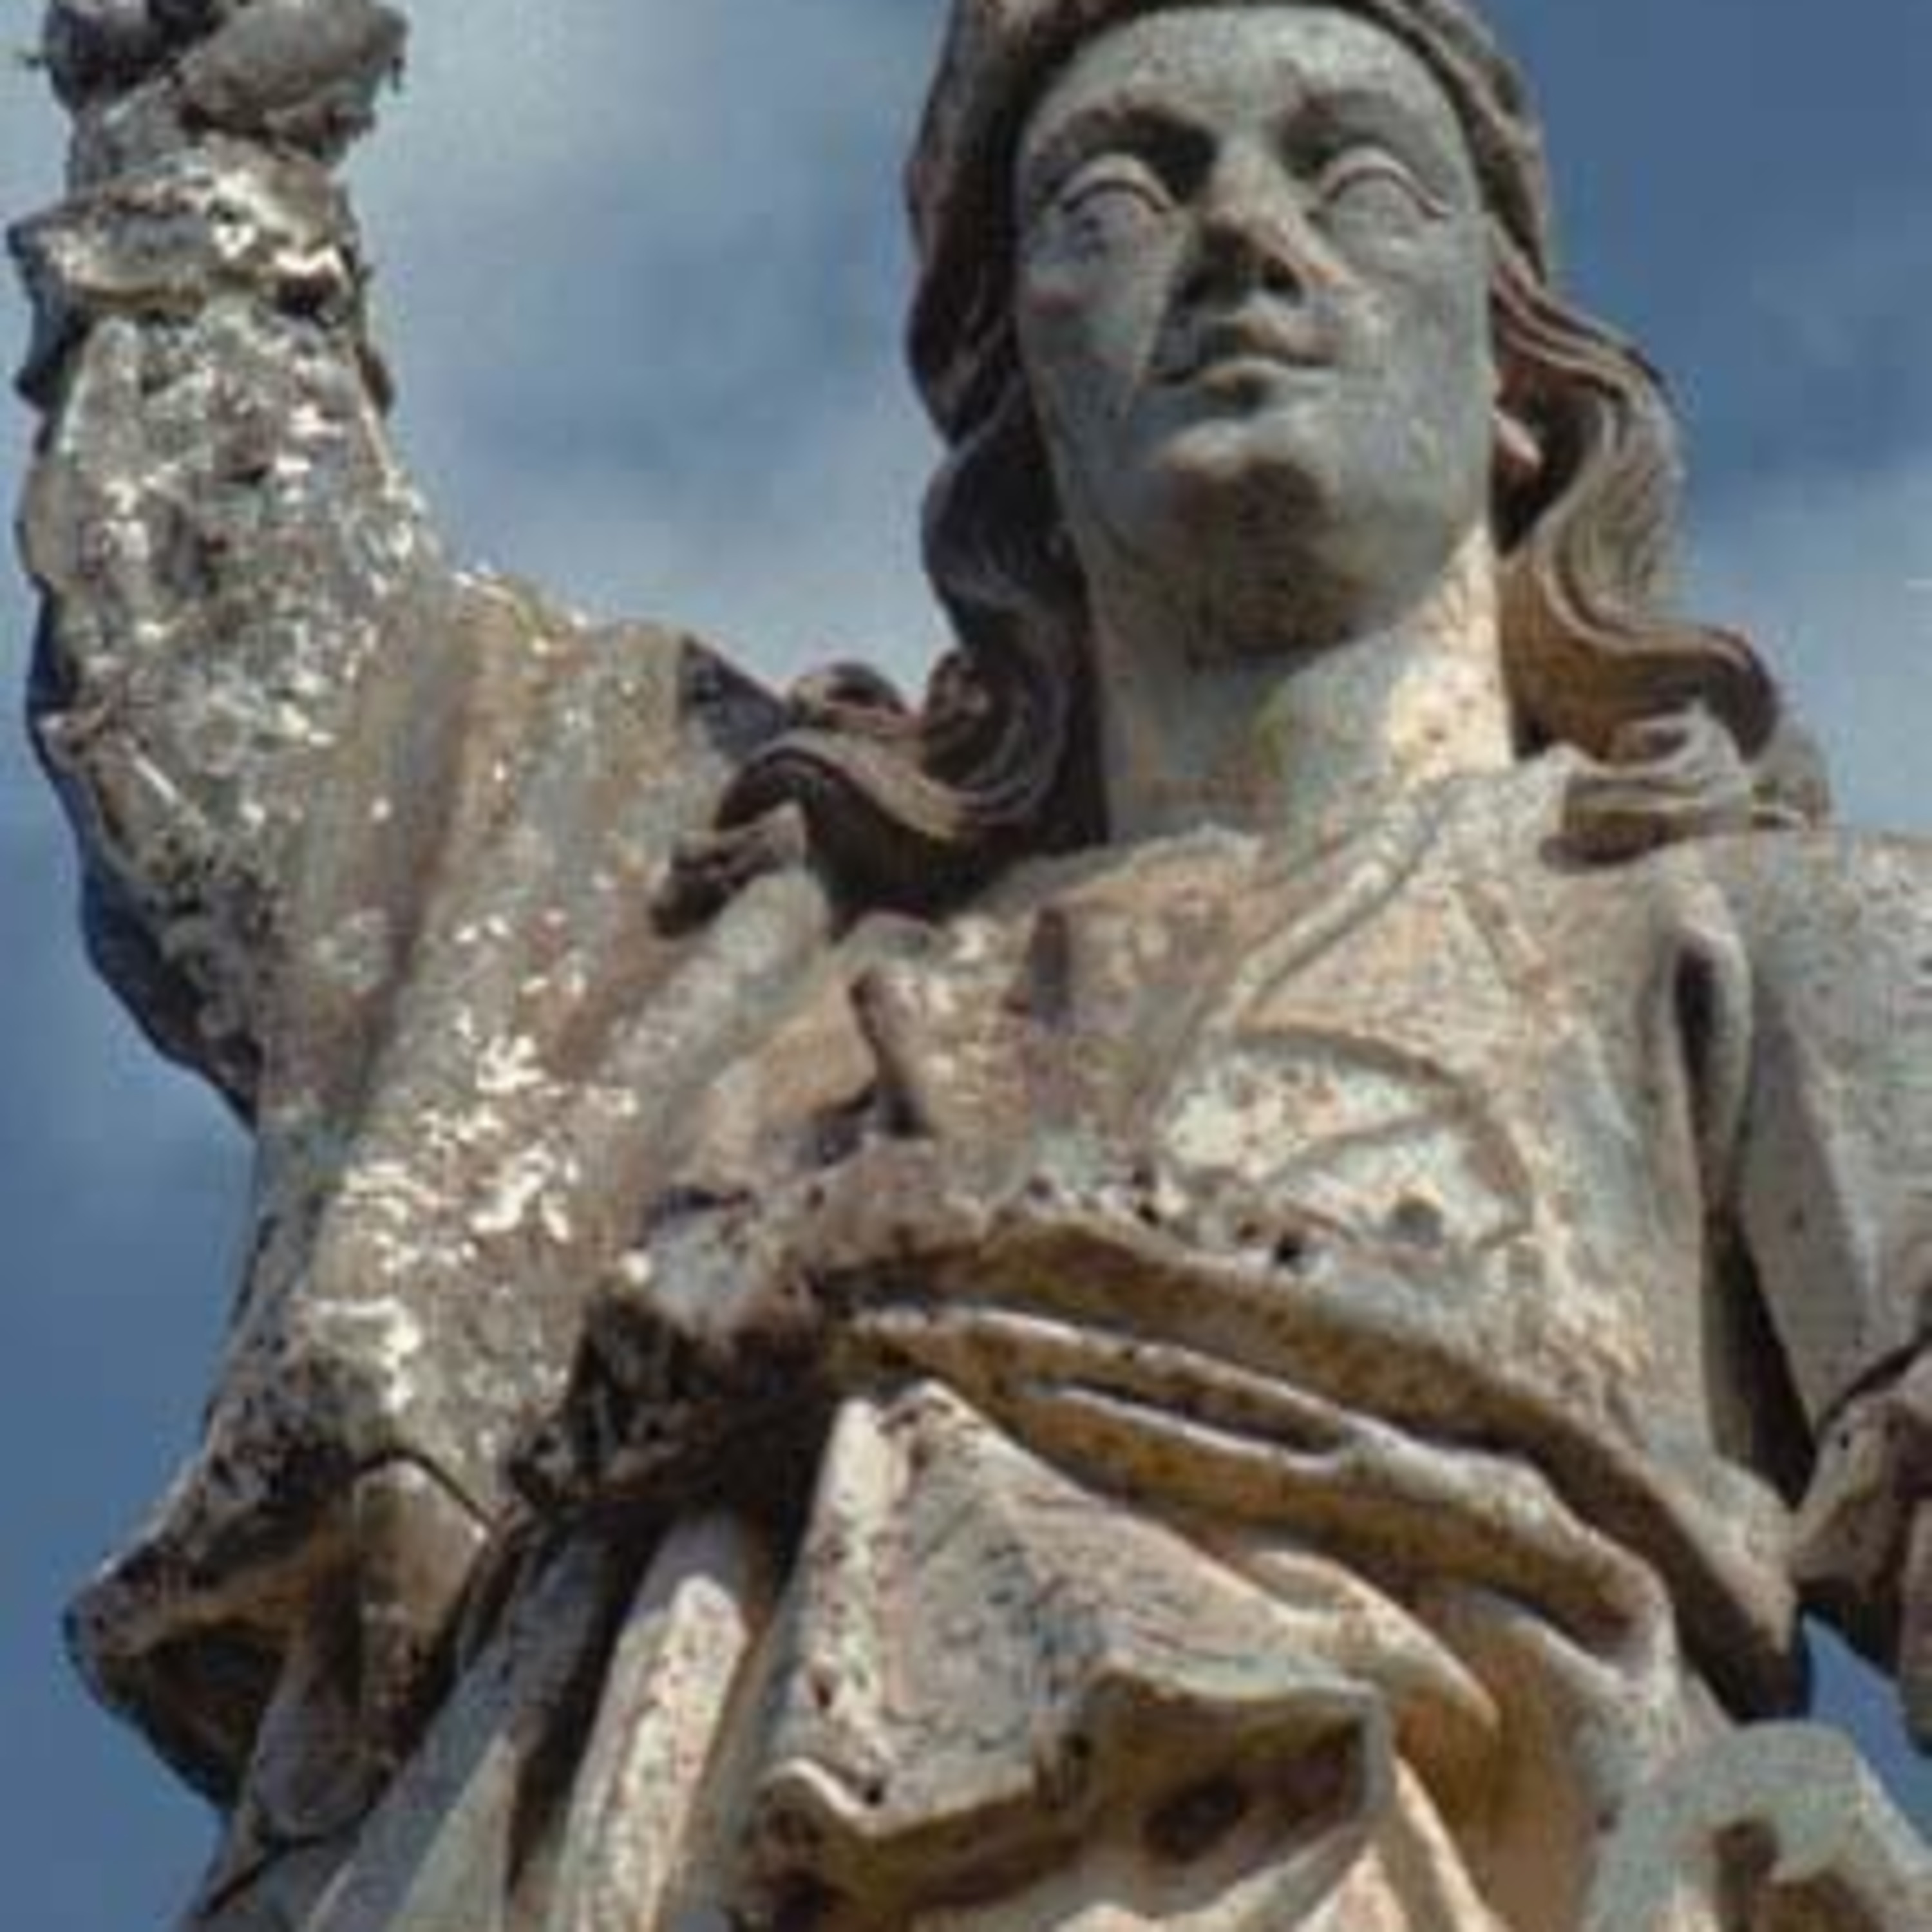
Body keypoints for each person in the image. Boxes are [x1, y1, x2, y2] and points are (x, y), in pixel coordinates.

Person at [15, 1, 1930, 1926]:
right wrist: (201, 128)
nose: (1247, 236)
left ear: (1519, 373)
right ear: (1020, 376)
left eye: (1358, 179)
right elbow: (264, 728)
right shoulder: (731, 941)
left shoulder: (1738, 933)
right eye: (1118, 199)